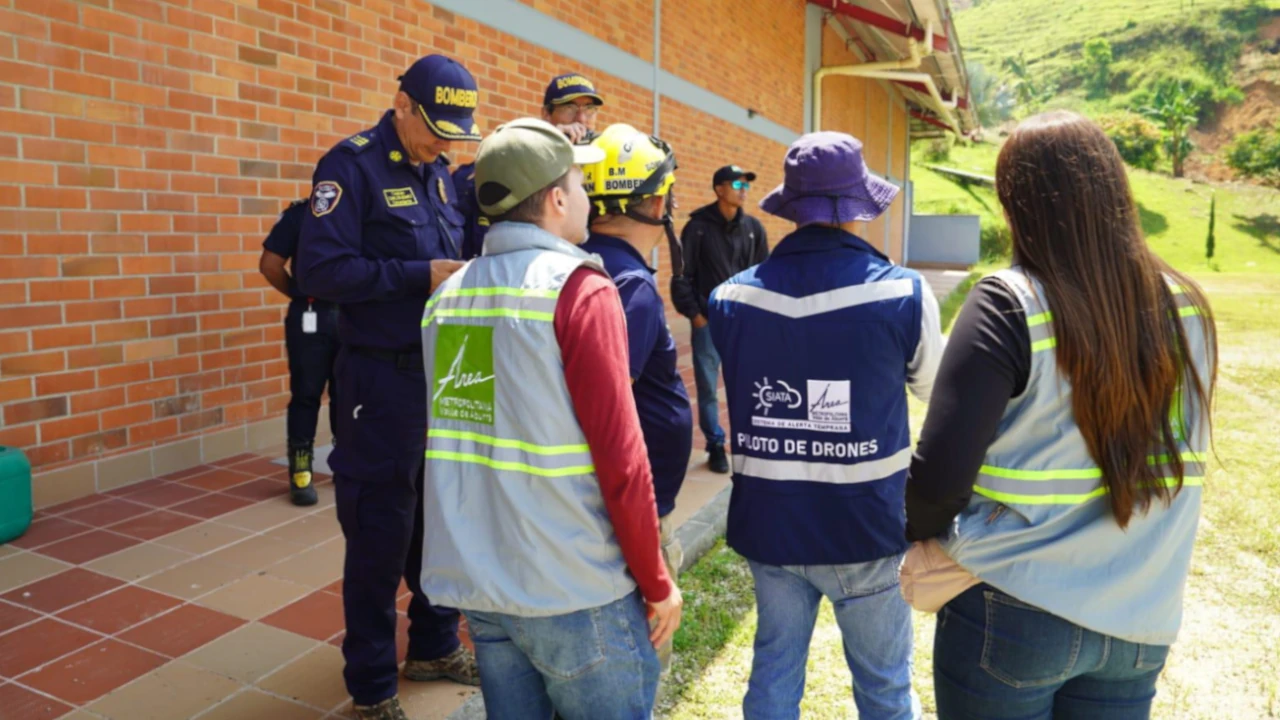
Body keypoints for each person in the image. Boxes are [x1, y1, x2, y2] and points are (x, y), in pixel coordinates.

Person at [905, 111, 1216, 720]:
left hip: (1012, 606)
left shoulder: (1009, 301)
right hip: (1140, 614)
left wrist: (917, 535)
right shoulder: (1190, 308)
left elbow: (939, 476)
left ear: (1018, 205)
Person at [419, 117, 683, 720]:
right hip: (573, 585)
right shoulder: (578, 290)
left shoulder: (449, 295)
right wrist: (657, 578)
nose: (589, 197)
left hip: (485, 583)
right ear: (558, 198)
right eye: (580, 183)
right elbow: (622, 459)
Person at [707, 132, 941, 720]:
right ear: (857, 208)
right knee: (886, 690)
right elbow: (934, 393)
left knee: (773, 678)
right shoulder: (904, 292)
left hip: (772, 525)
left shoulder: (729, 298)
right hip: (866, 526)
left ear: (793, 209)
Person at [294, 54, 481, 720]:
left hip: (442, 376)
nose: (445, 143)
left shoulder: (439, 175)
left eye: (456, 132)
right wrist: (415, 275)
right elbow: (320, 269)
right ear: (401, 103)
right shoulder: (351, 166)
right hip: (380, 380)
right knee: (379, 532)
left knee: (440, 521)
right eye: (435, 127)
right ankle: (372, 687)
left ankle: (433, 643)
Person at [580, 123, 693, 674]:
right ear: (655, 199)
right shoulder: (628, 285)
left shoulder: (593, 265)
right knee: (637, 670)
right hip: (627, 515)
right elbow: (608, 420)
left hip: (610, 507)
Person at [671, 165, 769, 474]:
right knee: (709, 388)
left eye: (746, 184)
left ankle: (748, 440)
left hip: (743, 323)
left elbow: (764, 276)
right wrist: (696, 316)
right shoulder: (697, 228)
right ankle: (715, 443)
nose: (743, 189)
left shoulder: (754, 228)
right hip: (708, 324)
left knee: (747, 384)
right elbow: (681, 276)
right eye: (737, 183)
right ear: (719, 189)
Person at [452, 72, 605, 259]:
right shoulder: (521, 160)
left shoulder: (601, 167)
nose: (581, 119)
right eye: (569, 107)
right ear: (546, 114)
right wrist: (548, 147)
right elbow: (471, 185)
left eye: (589, 109)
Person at [259, 198, 340, 507]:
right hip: (334, 314)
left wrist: (300, 294)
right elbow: (270, 264)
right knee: (331, 392)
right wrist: (297, 293)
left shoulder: (304, 212)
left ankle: (314, 469)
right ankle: (324, 466)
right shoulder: (359, 207)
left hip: (330, 313)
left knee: (321, 393)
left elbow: (269, 265)